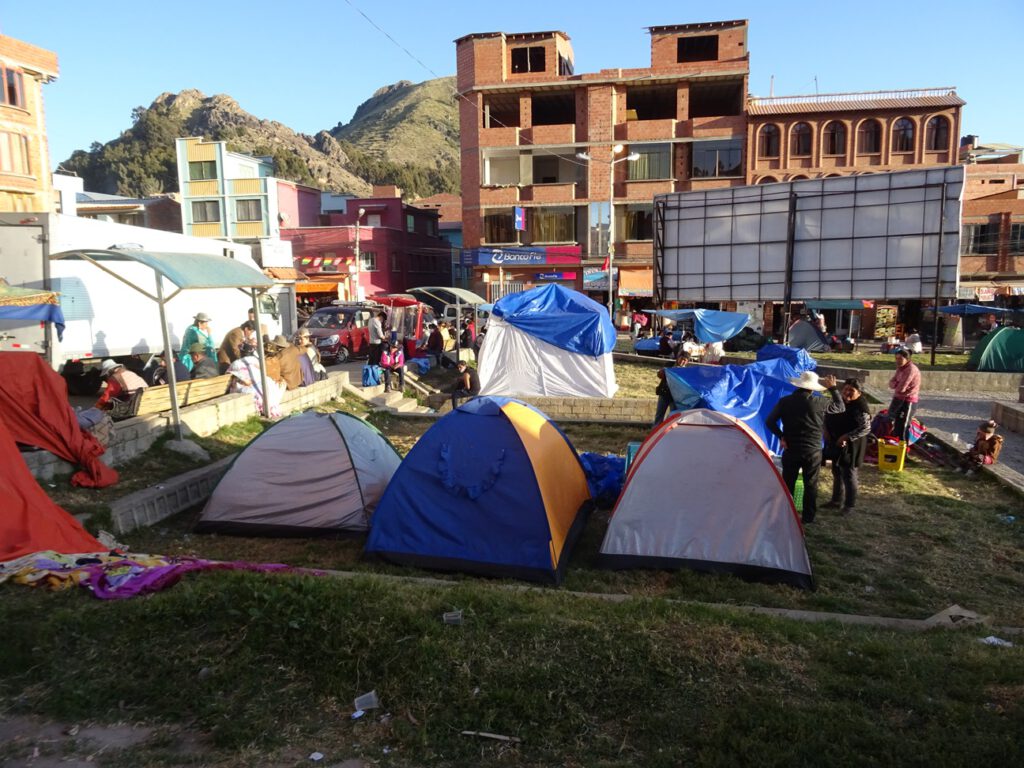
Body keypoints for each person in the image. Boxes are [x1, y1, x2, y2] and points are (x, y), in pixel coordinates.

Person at [765, 371, 844, 524]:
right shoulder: (820, 403)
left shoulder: (785, 401)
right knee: (811, 484)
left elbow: (769, 422)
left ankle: (784, 513)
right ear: (812, 388)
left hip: (791, 448)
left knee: (787, 483)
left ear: (798, 385)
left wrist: (782, 436)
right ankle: (808, 517)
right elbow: (840, 407)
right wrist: (833, 389)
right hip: (813, 450)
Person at [823, 379, 872, 515]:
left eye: (851, 390)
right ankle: (836, 500)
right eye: (845, 389)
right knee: (836, 471)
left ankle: (849, 505)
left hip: (852, 445)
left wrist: (847, 437)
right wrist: (825, 430)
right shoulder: (840, 402)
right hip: (836, 442)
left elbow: (865, 427)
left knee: (849, 474)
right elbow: (827, 415)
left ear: (859, 392)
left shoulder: (860, 407)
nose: (847, 392)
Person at [888, 349, 920, 443]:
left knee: (904, 425)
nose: (897, 361)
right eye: (896, 358)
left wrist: (896, 384)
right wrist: (896, 384)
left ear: (907, 359)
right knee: (895, 422)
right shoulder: (900, 368)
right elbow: (891, 383)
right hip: (898, 398)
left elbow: (900, 388)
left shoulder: (911, 369)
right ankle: (894, 444)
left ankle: (903, 448)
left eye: (900, 359)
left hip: (908, 400)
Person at [653, 347, 689, 425]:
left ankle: (668, 432)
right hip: (664, 393)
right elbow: (659, 375)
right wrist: (663, 372)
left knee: (673, 416)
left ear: (687, 362)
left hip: (675, 397)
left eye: (685, 360)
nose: (682, 361)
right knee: (659, 414)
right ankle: (655, 432)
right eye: (681, 359)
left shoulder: (686, 372)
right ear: (678, 358)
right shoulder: (669, 365)